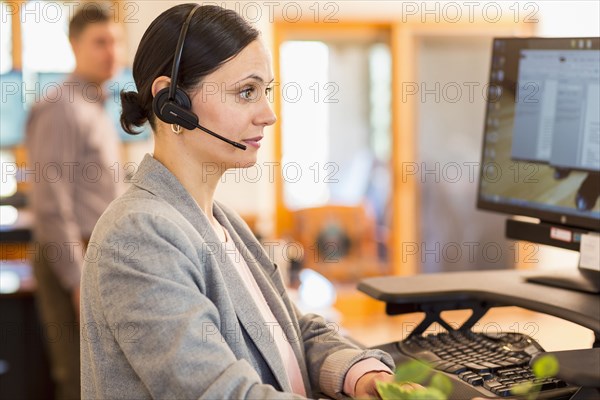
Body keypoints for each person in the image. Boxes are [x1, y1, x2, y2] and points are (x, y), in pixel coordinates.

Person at [80, 4, 399, 399]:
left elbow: (293, 332)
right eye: (246, 92)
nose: (268, 114)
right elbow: (221, 393)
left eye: (265, 91)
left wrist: (364, 377)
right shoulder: (140, 233)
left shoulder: (222, 222)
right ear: (172, 101)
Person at [25, 3, 122, 399]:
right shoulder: (60, 108)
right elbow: (50, 202)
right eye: (99, 42)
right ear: (74, 46)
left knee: (105, 376)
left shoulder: (96, 107)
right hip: (72, 257)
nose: (110, 52)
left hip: (96, 255)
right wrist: (76, 278)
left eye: (115, 41)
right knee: (81, 378)